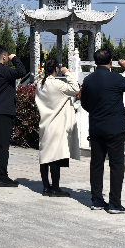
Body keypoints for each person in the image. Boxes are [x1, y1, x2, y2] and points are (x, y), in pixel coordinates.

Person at [79, 49, 125, 215]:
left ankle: (96, 200)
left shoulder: (88, 80)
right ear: (111, 61)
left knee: (96, 164)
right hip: (114, 128)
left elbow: (85, 103)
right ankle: (114, 203)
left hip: (96, 126)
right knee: (116, 165)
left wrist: (96, 112)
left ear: (95, 62)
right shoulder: (116, 78)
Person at [0, 45, 27, 187]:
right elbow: (22, 71)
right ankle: (2, 176)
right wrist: (15, 59)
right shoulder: (3, 70)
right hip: (4, 111)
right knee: (2, 145)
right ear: (4, 57)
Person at [35, 59, 80, 197]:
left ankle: (45, 187)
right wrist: (67, 73)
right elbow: (76, 88)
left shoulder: (39, 84)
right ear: (56, 69)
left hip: (44, 122)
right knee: (55, 156)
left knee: (44, 155)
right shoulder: (57, 84)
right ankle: (55, 187)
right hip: (57, 124)